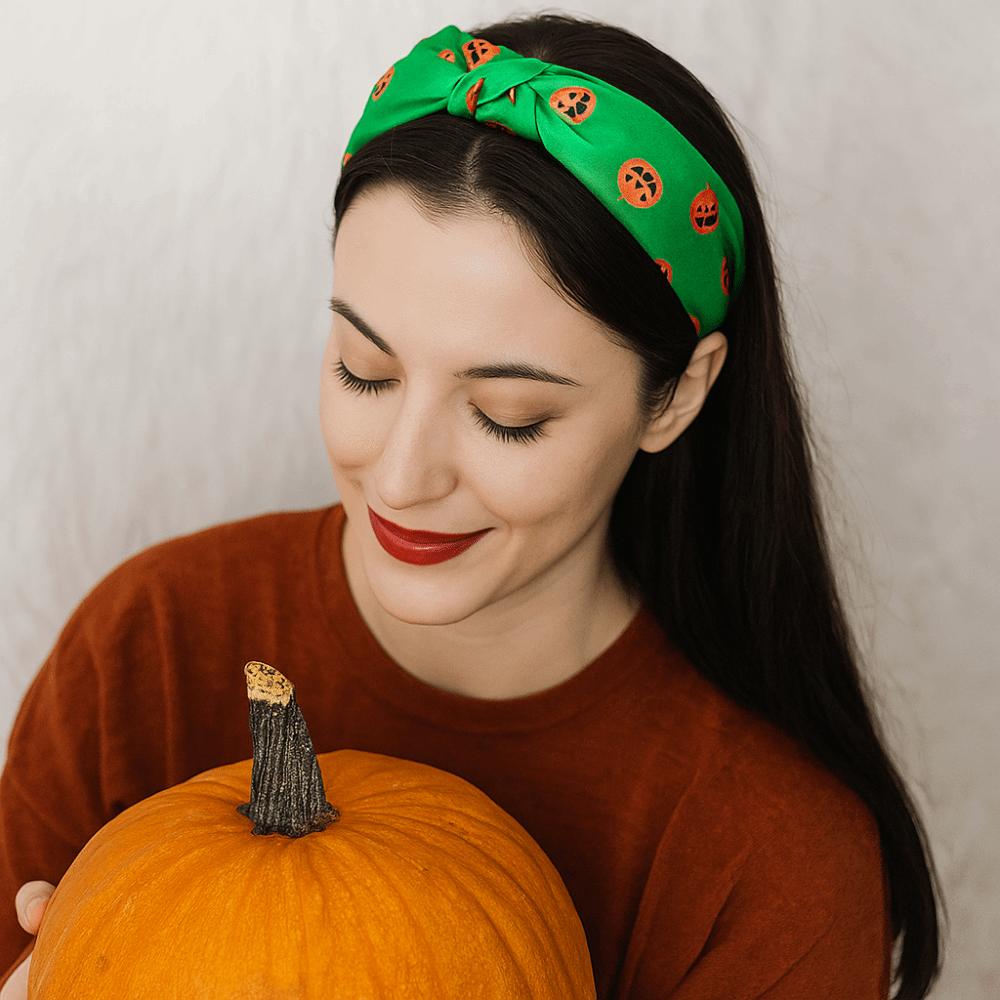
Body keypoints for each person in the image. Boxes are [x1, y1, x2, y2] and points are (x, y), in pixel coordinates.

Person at [0, 12, 945, 1000]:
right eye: (364, 371)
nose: (402, 477)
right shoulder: (149, 644)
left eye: (509, 415)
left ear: (677, 394)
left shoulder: (771, 853)